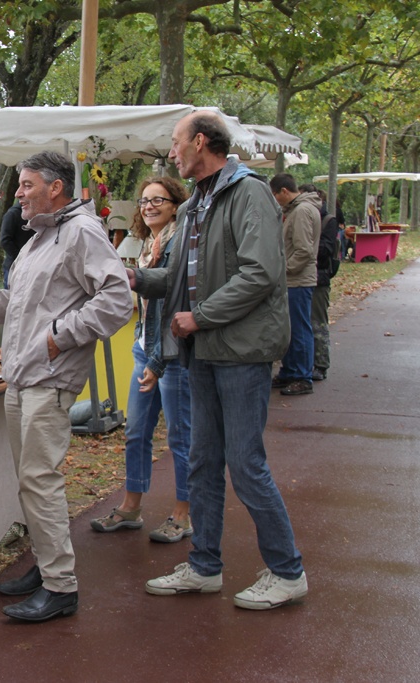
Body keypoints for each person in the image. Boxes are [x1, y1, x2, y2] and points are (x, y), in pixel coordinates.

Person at [0, 151, 131, 622]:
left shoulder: (80, 232)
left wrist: (61, 336)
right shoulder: (41, 239)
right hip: (20, 377)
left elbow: (118, 299)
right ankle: (45, 564)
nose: (18, 194)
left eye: (26, 184)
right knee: (29, 482)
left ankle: (61, 588)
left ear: (55, 188)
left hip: (49, 379)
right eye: (20, 185)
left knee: (40, 481)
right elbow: (16, 306)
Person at [133, 111, 307, 610]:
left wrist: (200, 317)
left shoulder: (248, 193)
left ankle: (287, 571)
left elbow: (260, 274)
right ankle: (205, 567)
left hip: (240, 352)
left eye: (175, 142)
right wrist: (137, 280)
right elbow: (179, 279)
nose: (171, 152)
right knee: (204, 461)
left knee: (245, 464)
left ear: (201, 142)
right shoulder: (194, 205)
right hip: (204, 351)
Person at [90, 176, 192, 543]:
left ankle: (183, 514)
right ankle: (130, 507)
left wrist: (158, 360)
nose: (149, 206)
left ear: (176, 203)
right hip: (144, 347)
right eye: (145, 200)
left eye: (158, 200)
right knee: (136, 432)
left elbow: (177, 301)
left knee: (181, 437)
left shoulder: (181, 242)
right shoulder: (150, 243)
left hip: (173, 354)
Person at [269, 173, 321, 396]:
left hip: (298, 281)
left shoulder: (301, 211)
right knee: (289, 329)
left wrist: (282, 270)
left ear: (283, 191)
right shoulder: (295, 210)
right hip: (292, 280)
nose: (275, 199)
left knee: (299, 329)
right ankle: (290, 371)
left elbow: (303, 251)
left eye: (274, 195)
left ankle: (302, 376)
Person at [299, 184, 340, 381]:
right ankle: (305, 363)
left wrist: (304, 249)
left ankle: (321, 363)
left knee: (317, 323)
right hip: (302, 278)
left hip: (319, 278)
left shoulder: (328, 221)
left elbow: (326, 250)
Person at [0, 202, 31, 287]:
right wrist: (20, 257)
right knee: (10, 297)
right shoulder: (12, 214)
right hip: (13, 266)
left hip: (32, 266)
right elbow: (5, 241)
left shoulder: (36, 213)